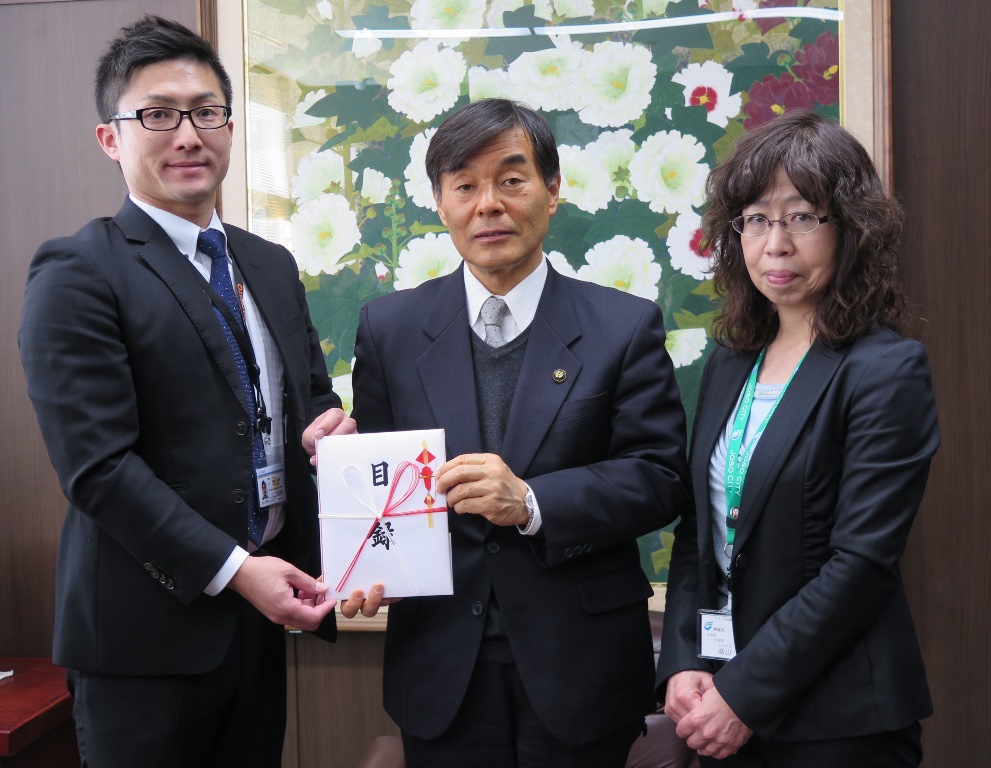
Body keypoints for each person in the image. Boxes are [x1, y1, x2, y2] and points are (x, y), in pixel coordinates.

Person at [18, 16, 355, 767]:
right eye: (158, 115)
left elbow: (308, 397)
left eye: (206, 112)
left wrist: (325, 427)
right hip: (145, 637)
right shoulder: (78, 271)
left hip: (260, 626)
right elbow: (97, 469)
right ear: (112, 138)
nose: (187, 134)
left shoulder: (268, 264)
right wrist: (238, 572)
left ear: (231, 128)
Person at [339, 98, 691, 768]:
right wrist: (365, 554)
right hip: (440, 661)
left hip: (580, 664)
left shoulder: (624, 325)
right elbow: (383, 479)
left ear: (551, 191)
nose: (488, 204)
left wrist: (531, 503)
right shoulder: (388, 328)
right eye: (464, 185)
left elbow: (659, 477)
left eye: (511, 179)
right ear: (439, 204)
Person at [656, 110, 939, 767]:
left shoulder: (883, 369)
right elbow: (701, 531)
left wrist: (744, 697)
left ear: (850, 230)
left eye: (802, 216)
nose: (774, 244)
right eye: (756, 218)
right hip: (718, 700)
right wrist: (684, 662)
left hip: (835, 722)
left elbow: (859, 567)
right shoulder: (731, 358)